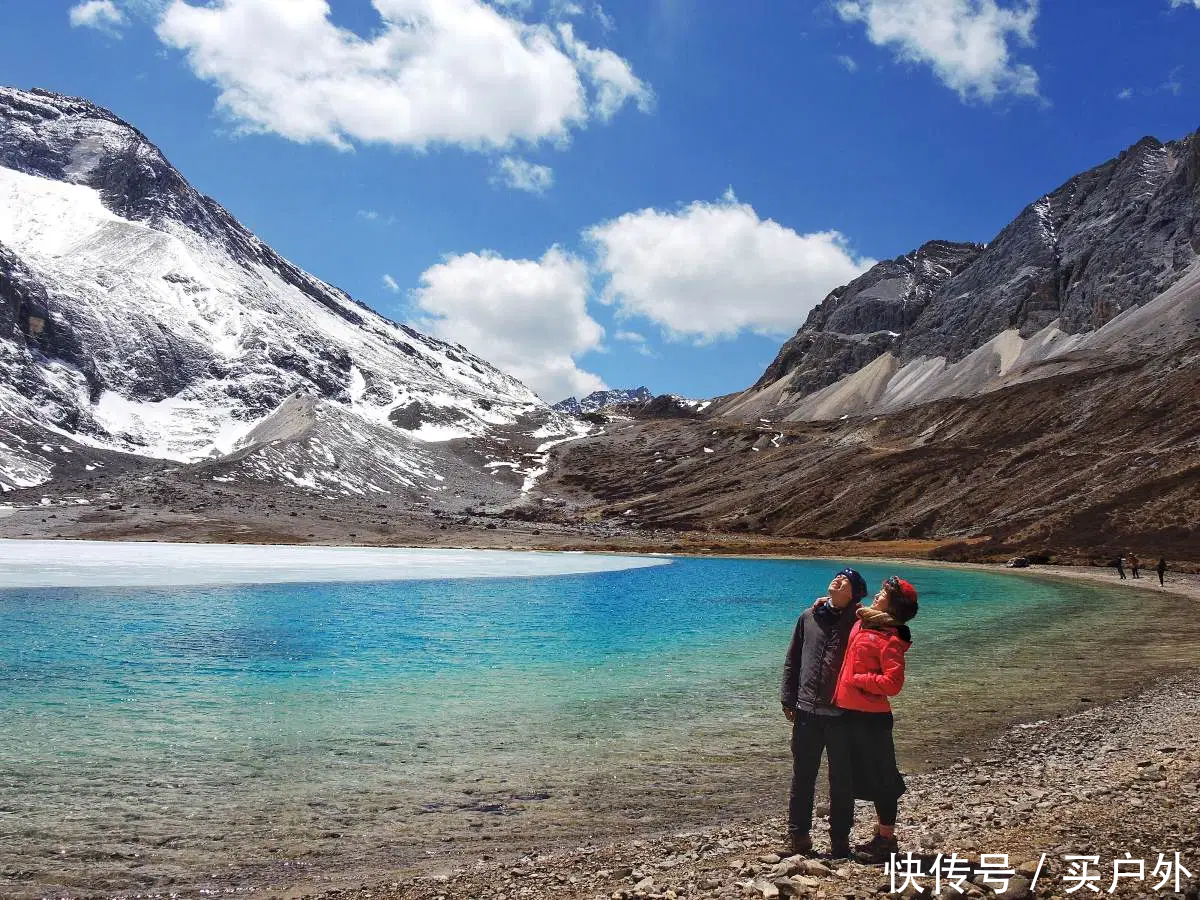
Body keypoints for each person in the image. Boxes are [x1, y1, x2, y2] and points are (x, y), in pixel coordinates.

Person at [780, 567, 869, 858]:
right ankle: (798, 836)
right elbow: (793, 659)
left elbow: (891, 628)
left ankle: (840, 840)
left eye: (847, 579)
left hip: (843, 714)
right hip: (806, 711)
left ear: (854, 594)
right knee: (802, 777)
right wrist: (787, 699)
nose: (839, 578)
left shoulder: (860, 622)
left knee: (842, 780)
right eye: (838, 575)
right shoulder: (808, 617)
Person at [831, 576, 919, 864]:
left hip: (872, 719)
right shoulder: (864, 621)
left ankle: (886, 839)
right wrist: (826, 603)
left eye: (885, 593)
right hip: (847, 712)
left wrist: (859, 680)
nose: (879, 594)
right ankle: (846, 836)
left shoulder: (891, 637)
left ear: (893, 605)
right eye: (881, 590)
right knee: (848, 776)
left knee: (882, 780)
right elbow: (844, 608)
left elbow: (893, 684)